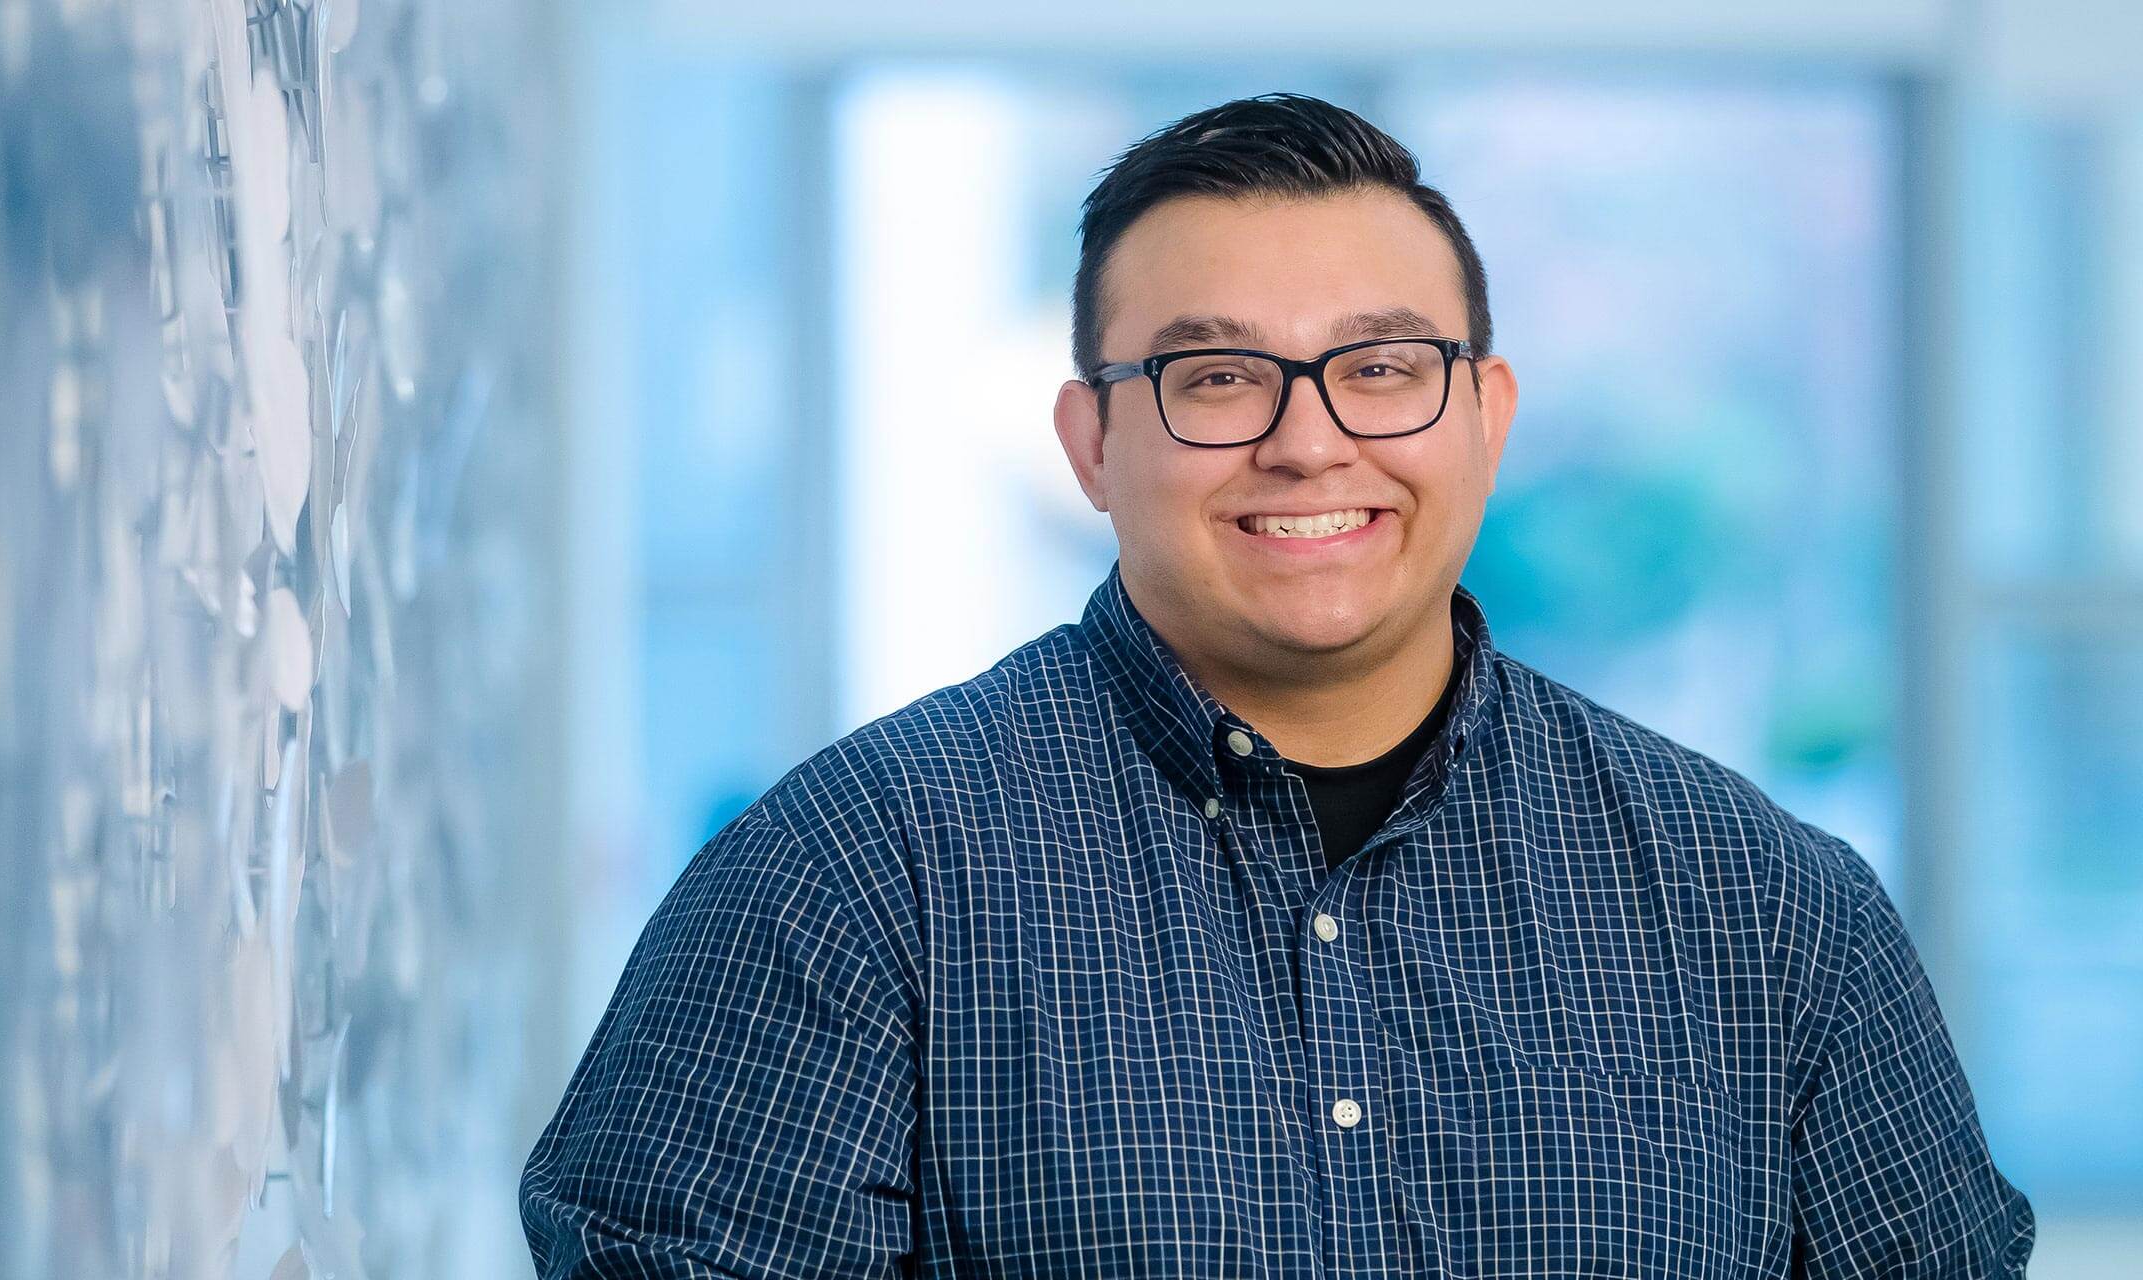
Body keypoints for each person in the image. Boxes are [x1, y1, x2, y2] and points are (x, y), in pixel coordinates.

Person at [519, 93, 2032, 1277]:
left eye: (1381, 367)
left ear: (1485, 418)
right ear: (1092, 444)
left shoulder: (1769, 912)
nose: (1310, 443)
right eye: (1218, 377)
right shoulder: (849, 879)